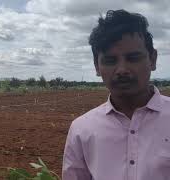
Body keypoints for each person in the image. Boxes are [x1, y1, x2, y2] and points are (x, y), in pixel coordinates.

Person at [62, 9, 170, 180]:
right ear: (97, 67)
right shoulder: (81, 130)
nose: (122, 70)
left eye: (133, 58)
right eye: (110, 61)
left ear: (153, 60)